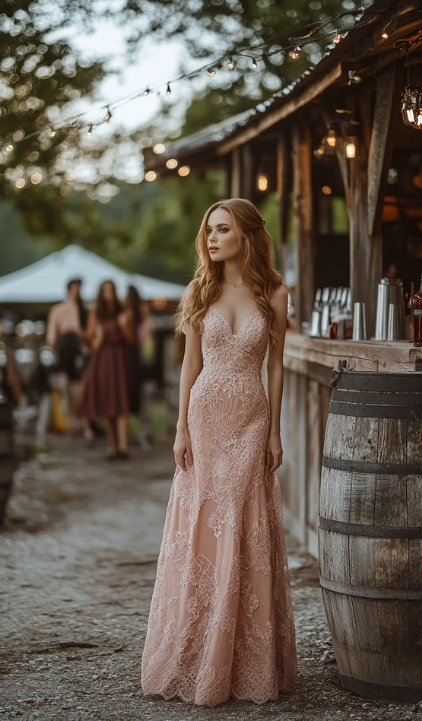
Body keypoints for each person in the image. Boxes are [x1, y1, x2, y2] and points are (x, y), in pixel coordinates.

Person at [141, 198, 297, 706]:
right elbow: (189, 366)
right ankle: (198, 650)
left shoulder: (274, 293)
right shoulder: (199, 290)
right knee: (206, 523)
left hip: (251, 420)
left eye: (222, 229)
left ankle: (245, 658)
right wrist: (181, 427)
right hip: (206, 421)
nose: (211, 239)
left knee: (243, 521)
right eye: (208, 230)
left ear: (246, 235)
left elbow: (276, 369)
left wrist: (274, 432)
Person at [78, 280, 133, 460]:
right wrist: (98, 338)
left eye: (111, 289)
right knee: (107, 401)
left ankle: (123, 446)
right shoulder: (96, 314)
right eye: (105, 290)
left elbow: (130, 339)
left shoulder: (123, 311)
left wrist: (123, 325)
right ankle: (112, 447)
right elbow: (91, 345)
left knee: (121, 401)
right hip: (102, 360)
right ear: (101, 293)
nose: (109, 293)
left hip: (120, 359)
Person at [46, 277, 93, 439]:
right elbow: (52, 337)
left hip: (80, 351)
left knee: (80, 388)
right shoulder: (59, 310)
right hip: (66, 351)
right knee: (67, 388)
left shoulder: (86, 309)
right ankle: (72, 421)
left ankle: (82, 421)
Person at [121, 285, 155, 448]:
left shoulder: (128, 315)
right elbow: (148, 340)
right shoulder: (141, 316)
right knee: (141, 402)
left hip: (130, 361)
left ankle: (129, 437)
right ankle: (140, 435)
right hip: (136, 361)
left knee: (130, 400)